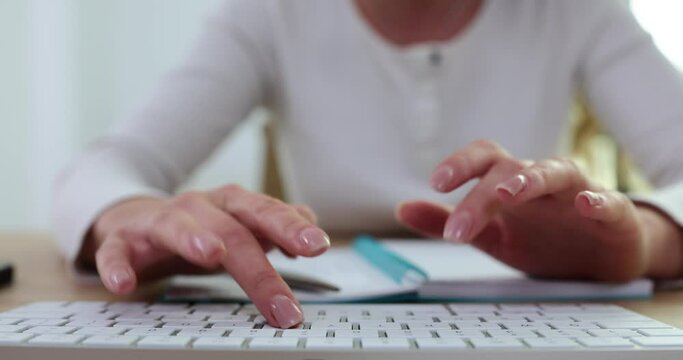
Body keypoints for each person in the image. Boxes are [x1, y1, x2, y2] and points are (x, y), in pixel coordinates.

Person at [53, 0, 683, 329]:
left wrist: (643, 244)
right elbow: (102, 169)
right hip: (323, 318)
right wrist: (129, 216)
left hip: (531, 315)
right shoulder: (271, 12)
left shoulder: (577, 12)